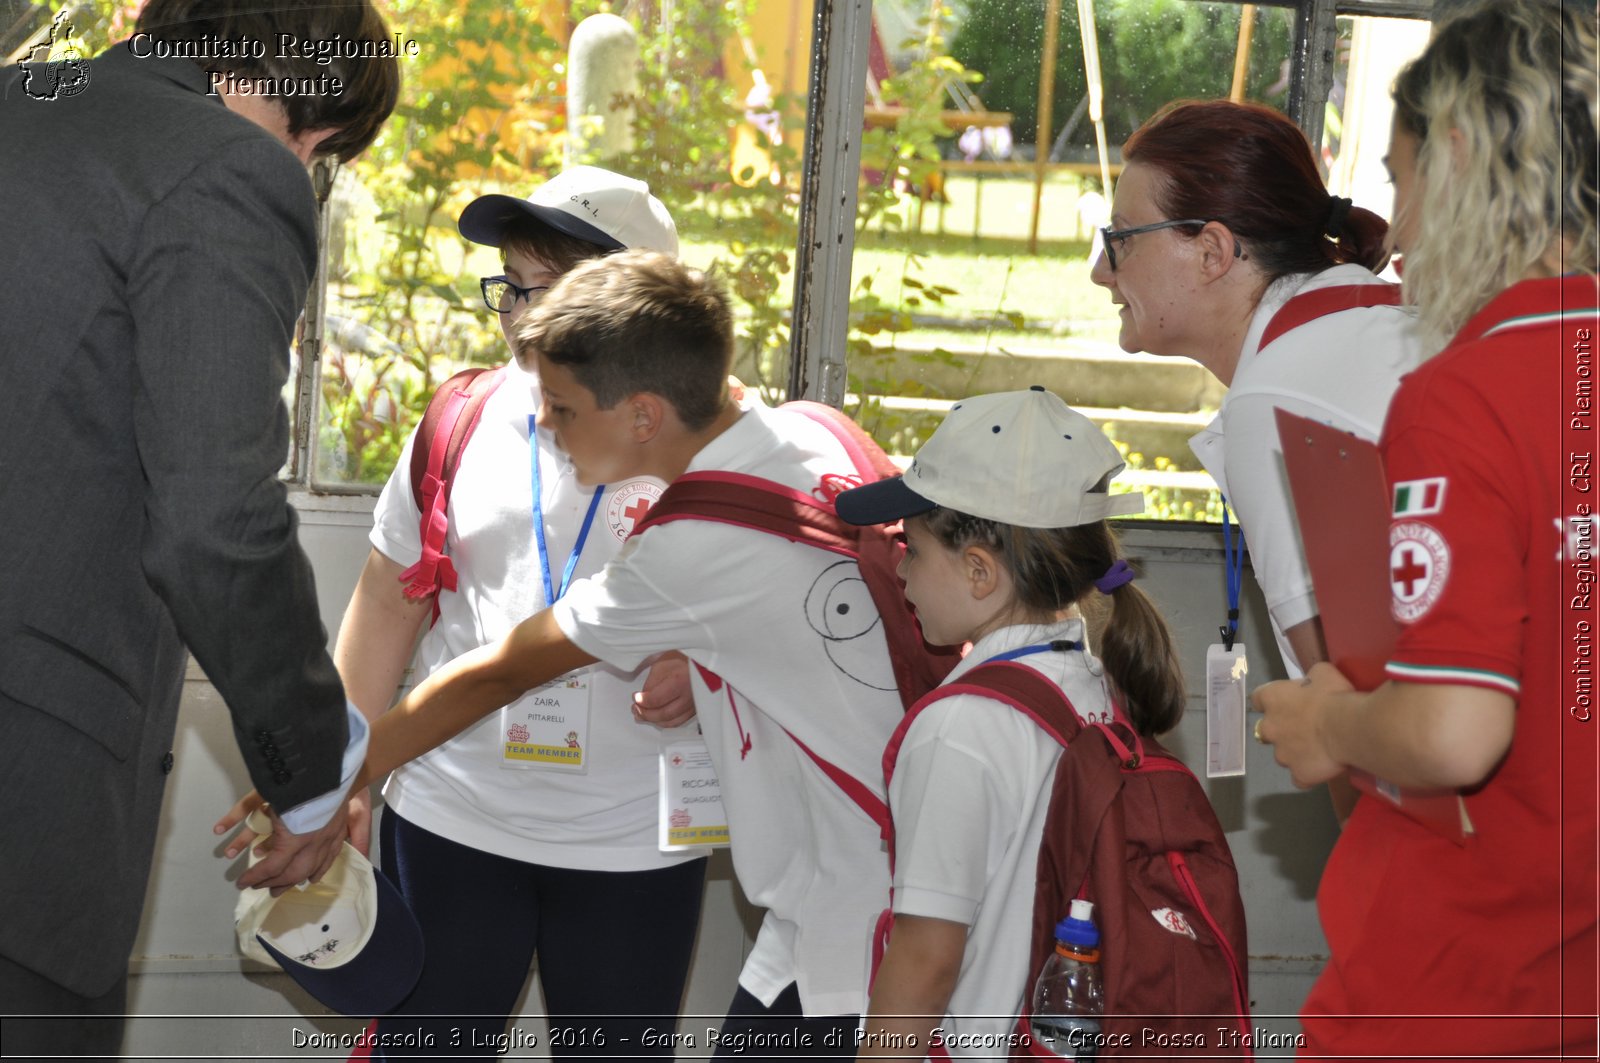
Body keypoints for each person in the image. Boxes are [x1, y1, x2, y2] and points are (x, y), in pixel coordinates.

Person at [222, 249, 906, 1057]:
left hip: (867, 918)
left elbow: (503, 670)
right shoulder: (809, 436)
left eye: (562, 405)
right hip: (868, 880)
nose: (542, 422)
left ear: (644, 415)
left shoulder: (692, 544)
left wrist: (327, 782)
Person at [0, 0, 399, 1056]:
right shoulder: (225, 167)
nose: (310, 165)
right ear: (306, 108)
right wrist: (314, 771)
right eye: (324, 146)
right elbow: (214, 524)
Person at [1254, 1, 1598, 1055]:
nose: (1395, 233)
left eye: (1399, 181)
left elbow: (1455, 731)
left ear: (1454, 157)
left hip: (1455, 978)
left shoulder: (1466, 394)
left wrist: (1331, 723)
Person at [306, 167, 707, 1057]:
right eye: (509, 289)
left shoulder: (711, 451)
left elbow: (779, 620)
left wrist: (710, 667)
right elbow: (386, 602)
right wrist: (342, 784)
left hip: (632, 845)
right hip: (451, 820)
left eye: (548, 291)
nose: (522, 319)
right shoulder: (461, 419)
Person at [830, 388, 1182, 1057]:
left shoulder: (961, 727)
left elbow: (927, 957)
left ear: (979, 571)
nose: (900, 570)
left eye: (913, 548)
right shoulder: (1098, 687)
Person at [1090, 99, 1423, 679]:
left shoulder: (1277, 400)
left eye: (1121, 238)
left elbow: (1348, 696)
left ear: (1212, 252)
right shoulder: (1379, 324)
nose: (1101, 270)